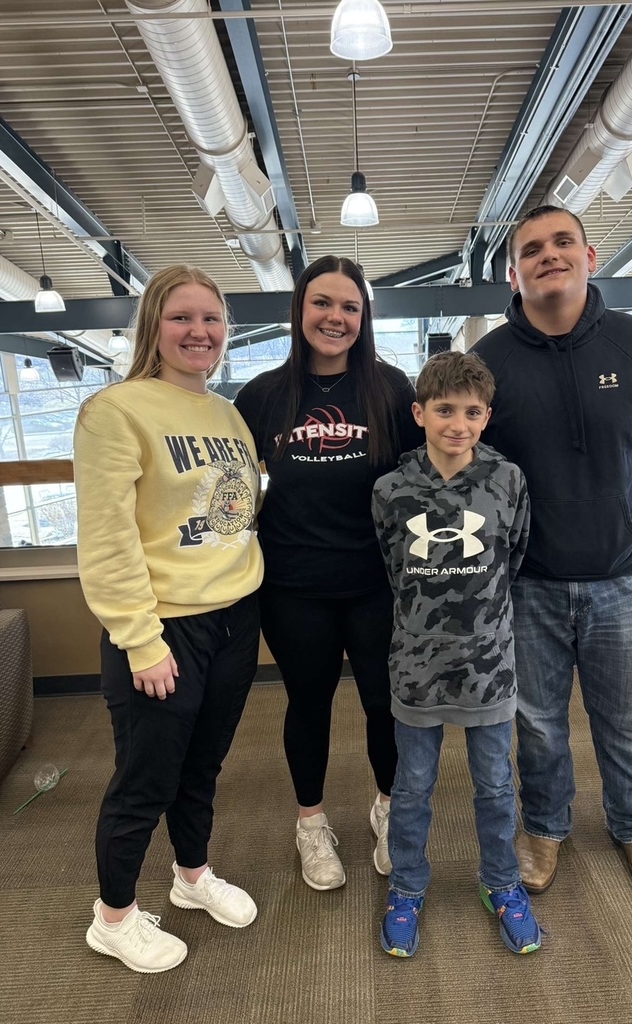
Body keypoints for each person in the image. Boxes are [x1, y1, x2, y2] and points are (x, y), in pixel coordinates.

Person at [473, 205, 632, 902]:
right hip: (527, 582)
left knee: (625, 723)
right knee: (536, 724)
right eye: (532, 249)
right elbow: (475, 464)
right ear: (514, 273)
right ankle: (544, 828)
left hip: (622, 578)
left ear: (590, 257)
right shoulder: (489, 364)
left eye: (563, 242)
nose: (549, 255)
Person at [74, 265, 264, 973]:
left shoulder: (228, 414)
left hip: (234, 618)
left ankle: (191, 876)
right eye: (182, 317)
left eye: (211, 319)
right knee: (145, 780)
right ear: (153, 324)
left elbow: (236, 512)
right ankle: (114, 918)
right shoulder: (115, 410)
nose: (199, 331)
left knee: (201, 767)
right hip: (163, 629)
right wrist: (140, 640)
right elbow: (107, 539)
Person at [234, 255, 422, 892]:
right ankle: (310, 824)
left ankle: (388, 807)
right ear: (299, 310)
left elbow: (424, 478)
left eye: (349, 306)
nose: (334, 317)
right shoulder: (262, 395)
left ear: (364, 317)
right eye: (322, 303)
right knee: (308, 704)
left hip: (378, 583)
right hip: (293, 586)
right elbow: (223, 484)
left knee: (383, 705)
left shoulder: (391, 388)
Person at [371, 351, 541, 958]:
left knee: (494, 785)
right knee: (412, 787)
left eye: (472, 412)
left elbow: (513, 557)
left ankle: (501, 882)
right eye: (444, 410)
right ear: (419, 413)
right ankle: (407, 887)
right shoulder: (390, 490)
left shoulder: (508, 481)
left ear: (487, 416)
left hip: (488, 663)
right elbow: (394, 568)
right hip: (415, 665)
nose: (458, 424)